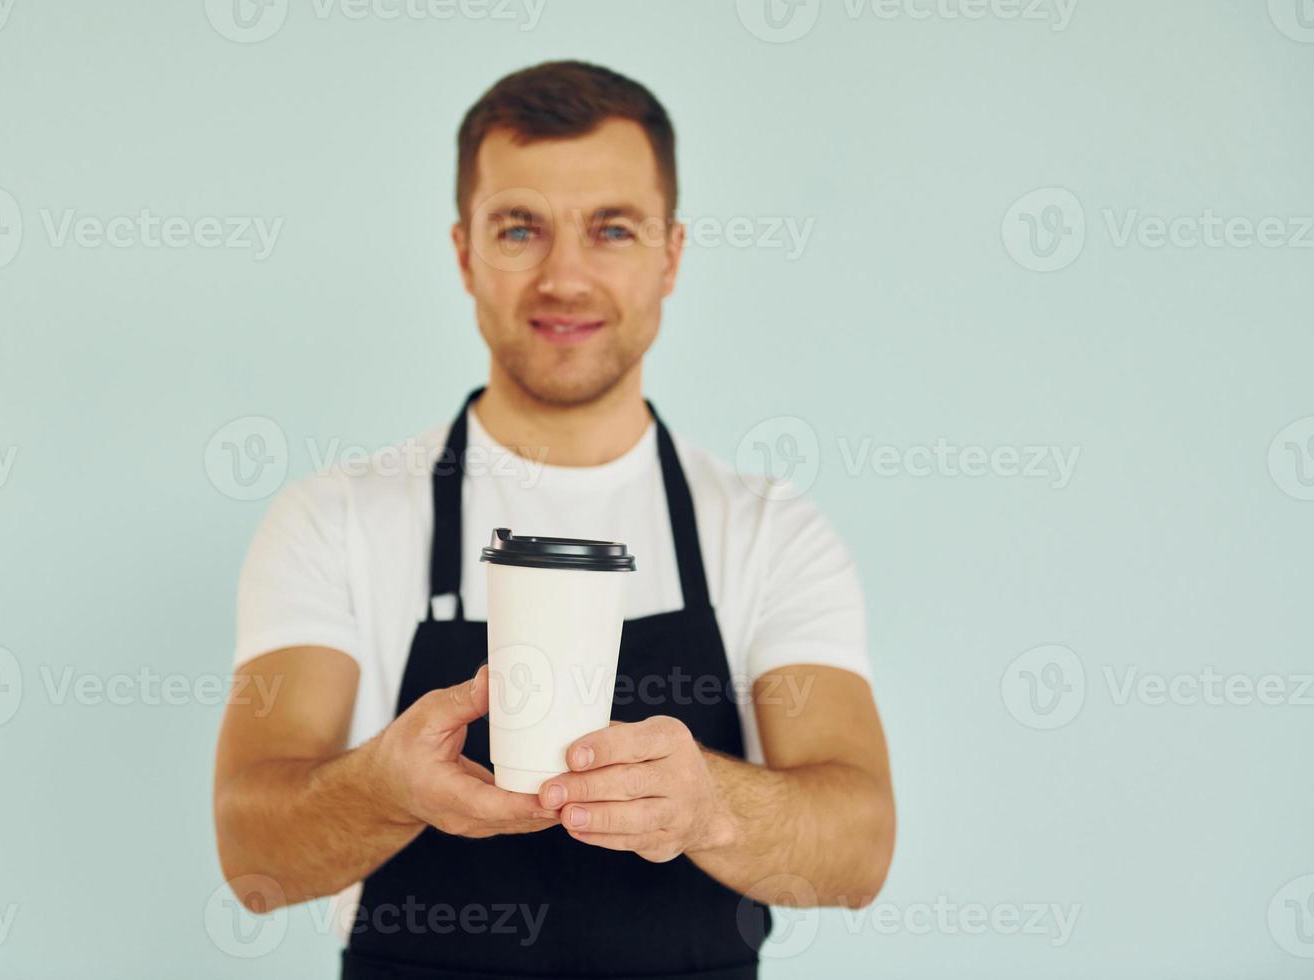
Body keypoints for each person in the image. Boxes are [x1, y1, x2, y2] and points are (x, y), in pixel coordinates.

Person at [213, 59, 895, 980]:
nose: (564, 277)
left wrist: (708, 808)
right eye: (519, 229)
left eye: (611, 229)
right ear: (464, 253)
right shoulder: (334, 519)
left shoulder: (770, 531)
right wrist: (384, 789)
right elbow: (253, 860)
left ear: (671, 255)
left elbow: (859, 852)